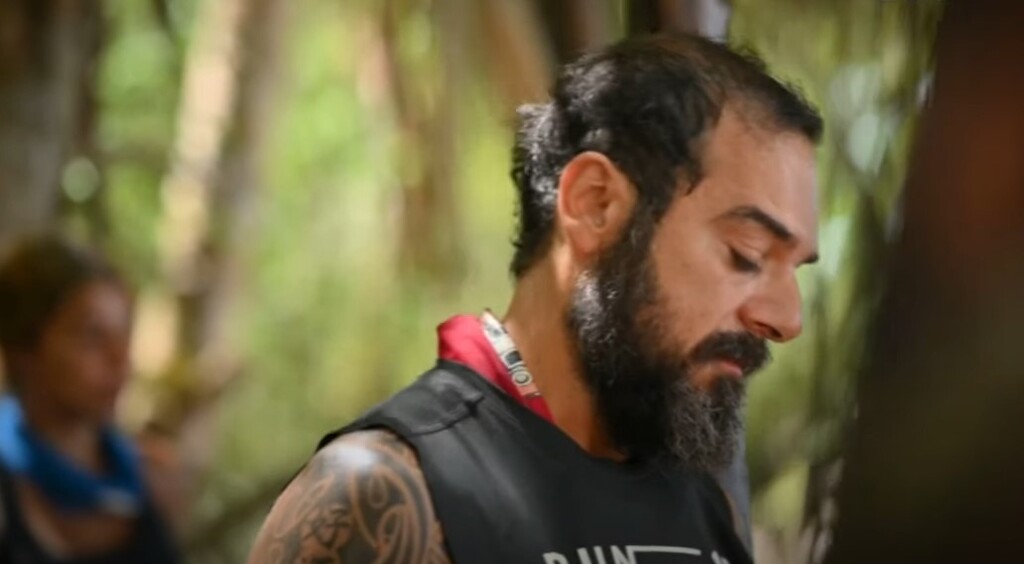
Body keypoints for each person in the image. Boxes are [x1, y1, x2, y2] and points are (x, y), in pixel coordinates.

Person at [250, 33, 822, 564]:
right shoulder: (384, 493)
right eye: (747, 253)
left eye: (794, 269)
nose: (787, 318)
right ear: (595, 205)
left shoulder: (704, 496)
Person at [0, 235, 180, 563]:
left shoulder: (145, 480)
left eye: (124, 334)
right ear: (24, 349)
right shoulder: (10, 484)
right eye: (92, 336)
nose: (120, 359)